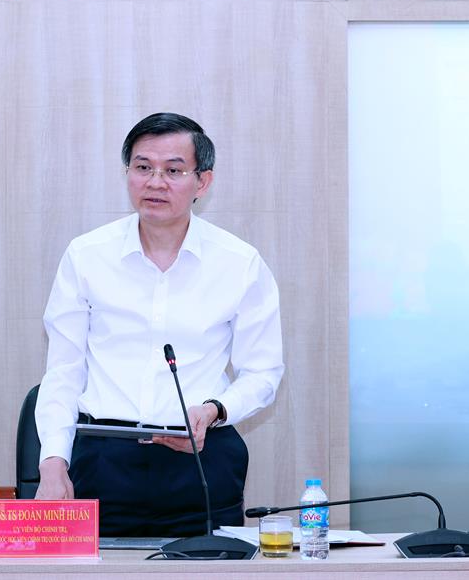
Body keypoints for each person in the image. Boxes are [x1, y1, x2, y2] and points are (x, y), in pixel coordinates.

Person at [34, 112, 284, 536]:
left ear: (202, 182)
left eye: (173, 170)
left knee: (209, 567)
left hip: (201, 459)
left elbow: (263, 373)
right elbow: (63, 372)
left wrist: (215, 410)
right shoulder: (87, 256)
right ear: (127, 173)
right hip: (104, 458)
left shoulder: (239, 263)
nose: (155, 182)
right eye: (143, 167)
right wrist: (54, 462)